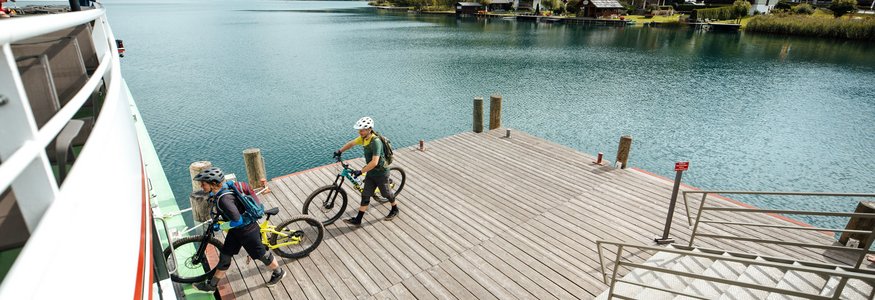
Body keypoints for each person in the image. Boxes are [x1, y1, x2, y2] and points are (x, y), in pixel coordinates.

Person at [192, 167, 286, 291]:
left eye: (203, 184)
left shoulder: (224, 200)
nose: (201, 186)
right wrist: (211, 195)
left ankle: (279, 272)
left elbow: (238, 220)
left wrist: (220, 226)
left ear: (213, 184)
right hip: (236, 232)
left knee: (262, 255)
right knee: (225, 256)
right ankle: (211, 285)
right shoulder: (224, 188)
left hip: (247, 232)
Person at [334, 116, 399, 226]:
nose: (360, 132)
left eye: (362, 130)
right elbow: (351, 144)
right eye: (359, 130)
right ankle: (358, 220)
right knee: (365, 195)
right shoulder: (364, 138)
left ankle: (395, 209)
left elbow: (374, 162)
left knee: (386, 193)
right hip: (371, 172)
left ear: (369, 129)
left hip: (381, 172)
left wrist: (361, 171)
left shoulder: (376, 142)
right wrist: (339, 151)